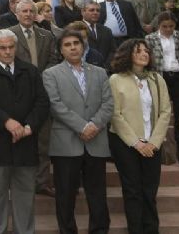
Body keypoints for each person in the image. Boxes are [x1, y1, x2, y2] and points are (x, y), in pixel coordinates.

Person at [0, 29, 49, 234]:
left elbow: (42, 102)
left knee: (25, 195)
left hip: (25, 142)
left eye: (11, 47)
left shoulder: (30, 70)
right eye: (2, 48)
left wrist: (28, 127)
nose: (7, 51)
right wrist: (7, 122)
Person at [42, 30, 113, 234]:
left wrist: (94, 125)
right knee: (65, 195)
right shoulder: (51, 74)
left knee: (97, 194)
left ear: (83, 47)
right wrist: (82, 126)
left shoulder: (100, 73)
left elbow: (108, 103)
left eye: (76, 43)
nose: (73, 47)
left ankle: (99, 230)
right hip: (66, 143)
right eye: (67, 44)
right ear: (61, 50)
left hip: (96, 141)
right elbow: (55, 105)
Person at [108, 39, 172, 234]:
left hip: (153, 143)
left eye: (146, 51)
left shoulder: (156, 79)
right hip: (125, 143)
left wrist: (153, 142)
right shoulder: (116, 79)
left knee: (149, 190)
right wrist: (137, 143)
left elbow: (165, 111)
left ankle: (151, 229)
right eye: (138, 51)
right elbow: (115, 115)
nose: (144, 54)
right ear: (128, 54)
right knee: (133, 190)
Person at [9, 0, 59, 197]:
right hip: (17, 92)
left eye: (31, 11)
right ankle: (19, 183)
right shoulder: (9, 34)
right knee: (19, 140)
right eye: (24, 11)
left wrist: (41, 77)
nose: (28, 14)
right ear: (17, 14)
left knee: (43, 140)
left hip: (42, 92)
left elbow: (54, 59)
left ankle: (43, 182)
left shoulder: (46, 35)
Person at [145, 12, 179, 164]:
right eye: (164, 26)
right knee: (158, 114)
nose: (168, 29)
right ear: (158, 26)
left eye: (171, 26)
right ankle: (157, 150)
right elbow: (147, 62)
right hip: (159, 78)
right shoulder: (150, 38)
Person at [82, 1, 116, 71]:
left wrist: (106, 66)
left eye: (98, 10)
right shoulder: (75, 29)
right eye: (92, 10)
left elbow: (112, 51)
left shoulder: (106, 31)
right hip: (84, 70)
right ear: (83, 12)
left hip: (105, 70)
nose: (95, 13)